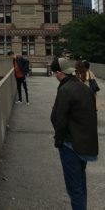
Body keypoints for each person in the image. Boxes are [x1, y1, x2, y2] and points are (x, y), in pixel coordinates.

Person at [51, 57, 98, 210]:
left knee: (74, 188)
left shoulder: (65, 90)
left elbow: (59, 119)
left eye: (54, 73)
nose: (55, 76)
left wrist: (58, 142)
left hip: (70, 145)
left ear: (59, 73)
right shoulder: (84, 88)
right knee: (80, 183)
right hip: (85, 144)